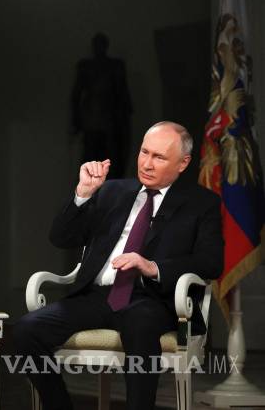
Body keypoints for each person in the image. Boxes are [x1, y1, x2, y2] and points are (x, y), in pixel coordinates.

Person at [13, 121, 224, 410]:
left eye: (159, 157)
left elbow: (211, 262)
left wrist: (153, 267)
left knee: (140, 325)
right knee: (26, 329)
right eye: (144, 152)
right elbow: (61, 238)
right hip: (96, 297)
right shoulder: (111, 191)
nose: (147, 164)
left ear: (183, 163)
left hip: (152, 300)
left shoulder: (201, 203)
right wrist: (83, 194)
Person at [71, 33, 132, 179]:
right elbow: (76, 94)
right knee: (93, 158)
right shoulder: (86, 67)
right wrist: (76, 120)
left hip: (110, 120)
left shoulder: (115, 66)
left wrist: (124, 115)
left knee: (113, 160)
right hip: (93, 120)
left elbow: (122, 92)